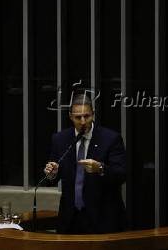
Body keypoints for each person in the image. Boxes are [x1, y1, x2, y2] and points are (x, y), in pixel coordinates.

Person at [44, 93, 127, 234]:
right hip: (71, 218)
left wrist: (100, 168)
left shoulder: (110, 138)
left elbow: (121, 175)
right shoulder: (60, 139)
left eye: (87, 116)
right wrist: (52, 173)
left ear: (93, 114)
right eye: (78, 117)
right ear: (70, 117)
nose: (83, 121)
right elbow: (52, 178)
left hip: (102, 218)